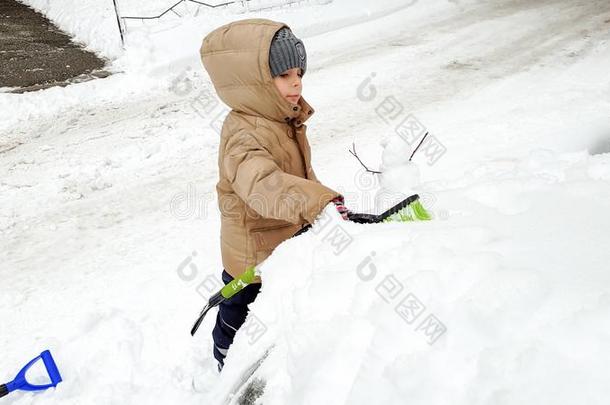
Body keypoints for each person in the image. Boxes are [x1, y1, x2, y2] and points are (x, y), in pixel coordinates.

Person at [199, 18, 349, 372]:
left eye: (299, 73)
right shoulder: (243, 133)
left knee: (273, 307)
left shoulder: (281, 118)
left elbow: (296, 177)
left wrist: (315, 204)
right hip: (252, 254)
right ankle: (223, 363)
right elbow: (263, 185)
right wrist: (319, 202)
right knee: (238, 315)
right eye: (284, 75)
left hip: (282, 241)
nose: (296, 82)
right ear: (255, 82)